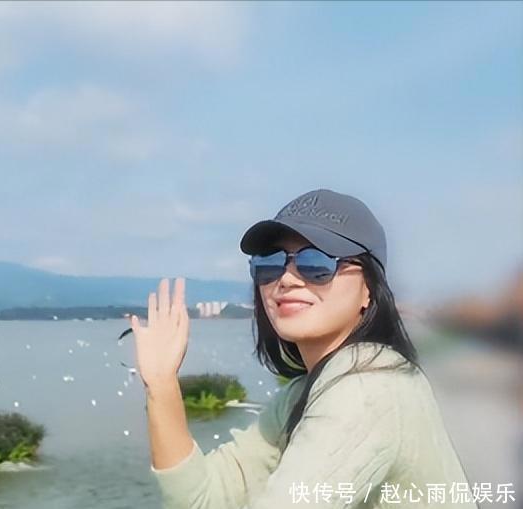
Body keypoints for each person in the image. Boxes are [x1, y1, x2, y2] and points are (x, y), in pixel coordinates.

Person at [127, 189, 480, 509]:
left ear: (369, 290)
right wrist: (162, 385)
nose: (287, 279)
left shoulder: (369, 389)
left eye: (317, 264)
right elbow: (205, 498)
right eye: (270, 264)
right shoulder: (302, 394)